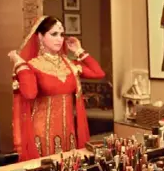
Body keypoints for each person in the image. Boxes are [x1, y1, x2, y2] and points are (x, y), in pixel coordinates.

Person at [9, 16, 105, 161]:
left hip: (69, 132)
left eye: (61, 34)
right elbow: (29, 93)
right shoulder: (32, 66)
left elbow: (98, 73)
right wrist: (19, 64)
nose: (59, 39)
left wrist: (79, 50)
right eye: (53, 34)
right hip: (42, 134)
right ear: (40, 37)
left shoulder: (69, 64)